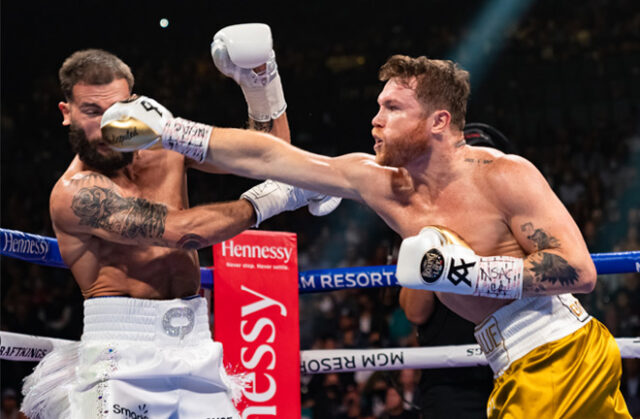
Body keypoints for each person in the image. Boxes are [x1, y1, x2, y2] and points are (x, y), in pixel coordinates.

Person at [102, 45, 632, 416]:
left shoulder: (502, 174)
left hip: (560, 352)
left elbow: (579, 271)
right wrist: (173, 131)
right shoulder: (378, 182)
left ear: (439, 122)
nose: (375, 118)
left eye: (393, 108)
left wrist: (473, 273)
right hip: (512, 360)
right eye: (379, 105)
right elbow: (274, 156)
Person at [20, 38, 341, 419]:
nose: (106, 124)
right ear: (66, 112)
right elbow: (180, 232)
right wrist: (272, 199)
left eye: (116, 109)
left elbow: (268, 152)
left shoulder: (165, 144)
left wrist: (260, 81)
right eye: (92, 111)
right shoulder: (76, 193)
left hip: (195, 344)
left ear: (135, 103)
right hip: (120, 356)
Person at [398, 124, 509, 419]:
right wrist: (431, 240)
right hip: (451, 377)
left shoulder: (513, 219)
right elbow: (415, 313)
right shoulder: (428, 225)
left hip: (513, 364)